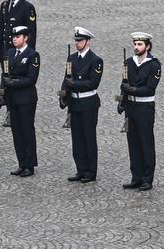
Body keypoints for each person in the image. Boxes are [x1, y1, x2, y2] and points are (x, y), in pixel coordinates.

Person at [62, 27, 102, 184]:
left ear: (88, 41)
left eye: (80, 41)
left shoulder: (95, 60)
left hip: (88, 103)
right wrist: (64, 94)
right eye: (76, 41)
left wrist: (75, 84)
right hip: (75, 102)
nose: (77, 43)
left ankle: (90, 171)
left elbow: (93, 83)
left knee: (88, 137)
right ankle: (80, 169)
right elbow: (66, 78)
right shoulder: (71, 58)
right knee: (76, 138)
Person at [121, 32, 160, 192]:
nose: (136, 47)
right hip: (131, 107)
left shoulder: (154, 65)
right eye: (135, 44)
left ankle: (147, 179)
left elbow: (150, 88)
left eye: (140, 44)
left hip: (145, 108)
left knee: (146, 143)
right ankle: (136, 177)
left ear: (147, 46)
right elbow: (123, 82)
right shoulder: (129, 62)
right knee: (133, 143)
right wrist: (123, 99)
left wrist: (132, 89)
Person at [3, 25, 39, 177]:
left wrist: (14, 83)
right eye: (14, 37)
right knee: (16, 132)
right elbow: (4, 74)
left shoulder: (32, 55)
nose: (15, 39)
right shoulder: (10, 53)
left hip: (26, 98)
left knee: (26, 130)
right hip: (12, 98)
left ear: (26, 38)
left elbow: (31, 78)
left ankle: (29, 165)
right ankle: (21, 163)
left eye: (18, 37)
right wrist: (3, 93)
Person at [0, 0, 35, 65]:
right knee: (6, 73)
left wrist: (30, 54)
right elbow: (1, 29)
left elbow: (31, 32)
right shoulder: (4, 5)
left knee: (19, 73)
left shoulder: (27, 6)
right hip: (5, 50)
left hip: (19, 50)